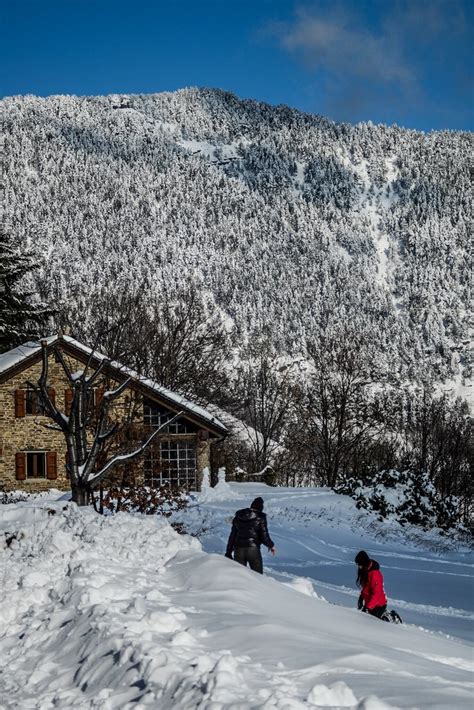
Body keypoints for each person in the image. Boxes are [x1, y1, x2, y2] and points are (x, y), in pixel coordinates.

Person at [225, 497, 276, 574]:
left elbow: (232, 537)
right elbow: (264, 536)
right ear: (261, 507)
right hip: (253, 549)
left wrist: (228, 552)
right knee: (258, 576)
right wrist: (271, 545)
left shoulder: (238, 517)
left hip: (238, 549)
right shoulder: (260, 517)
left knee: (239, 576)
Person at [355, 550, 388, 619]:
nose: (359, 567)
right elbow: (366, 588)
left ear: (364, 563)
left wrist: (368, 608)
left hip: (378, 605)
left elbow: (376, 594)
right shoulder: (366, 572)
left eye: (360, 565)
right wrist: (361, 597)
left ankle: (390, 616)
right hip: (370, 603)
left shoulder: (375, 574)